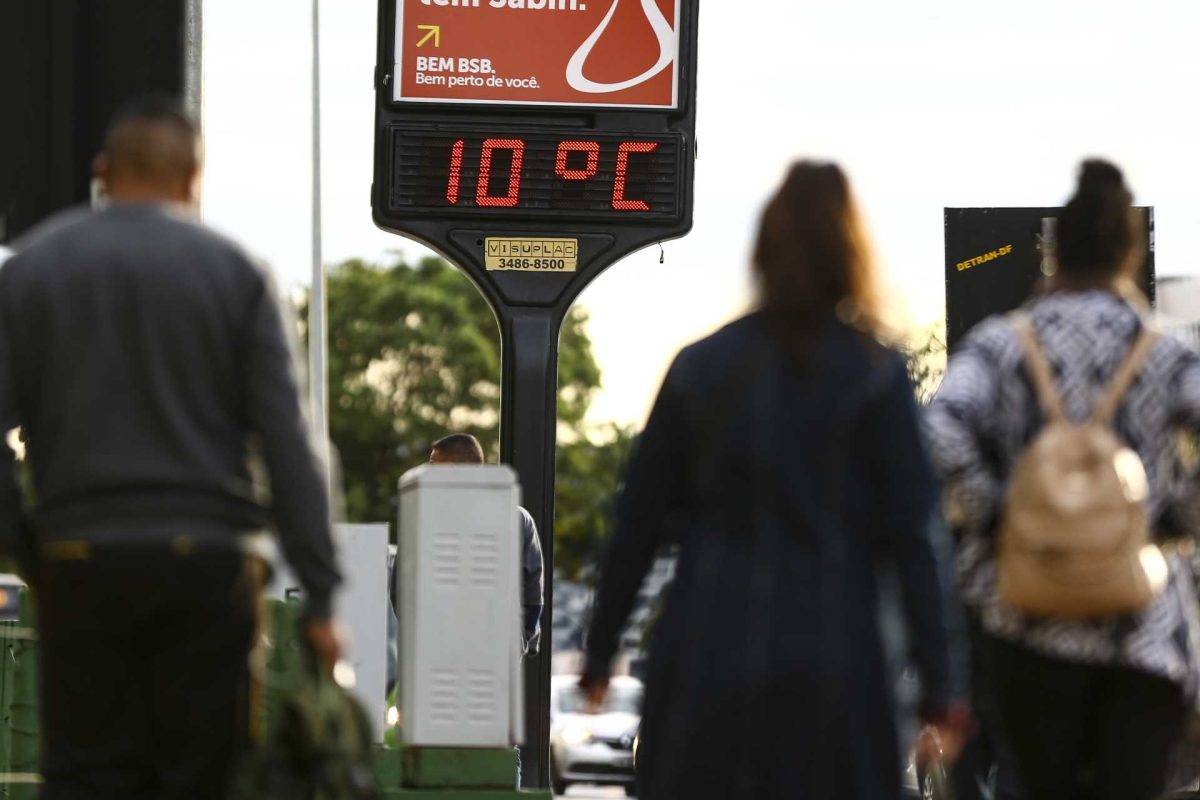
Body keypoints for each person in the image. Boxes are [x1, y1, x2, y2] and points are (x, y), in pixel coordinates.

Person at [579, 161, 967, 800]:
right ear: (850, 254)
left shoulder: (699, 369)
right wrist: (941, 685)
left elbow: (636, 524)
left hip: (708, 650)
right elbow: (914, 537)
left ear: (761, 250)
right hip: (839, 661)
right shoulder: (876, 376)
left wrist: (600, 654)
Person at [0, 96, 343, 799]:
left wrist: (27, 545)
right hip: (210, 568)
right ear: (193, 178)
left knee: (84, 776)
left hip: (80, 560)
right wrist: (321, 592)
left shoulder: (31, 271)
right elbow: (289, 443)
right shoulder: (237, 272)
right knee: (203, 778)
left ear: (103, 172)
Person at [926, 159, 1200, 800]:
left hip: (1027, 620)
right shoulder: (1166, 351)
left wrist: (999, 513)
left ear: (1054, 255)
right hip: (1142, 625)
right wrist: (1176, 517)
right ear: (1128, 255)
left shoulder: (1001, 345)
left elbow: (939, 428)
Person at [428, 433, 545, 653]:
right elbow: (533, 588)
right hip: (502, 646)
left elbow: (401, 588)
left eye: (433, 465)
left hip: (440, 645)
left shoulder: (426, 517)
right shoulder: (518, 518)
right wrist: (524, 637)